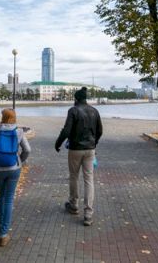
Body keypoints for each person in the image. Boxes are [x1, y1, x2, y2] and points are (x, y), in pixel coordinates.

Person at [55, 87, 103, 226]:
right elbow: (100, 130)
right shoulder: (94, 111)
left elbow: (66, 130)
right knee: (89, 179)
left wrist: (58, 143)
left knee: (74, 177)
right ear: (85, 99)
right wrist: (94, 143)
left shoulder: (73, 110)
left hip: (75, 149)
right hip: (90, 149)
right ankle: (88, 213)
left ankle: (74, 204)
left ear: (76, 99)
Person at [0, 108, 31, 246]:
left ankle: (0, 224)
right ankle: (4, 233)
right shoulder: (19, 131)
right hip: (14, 168)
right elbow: (27, 150)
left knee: (2, 195)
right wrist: (20, 160)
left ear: (3, 117)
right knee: (9, 199)